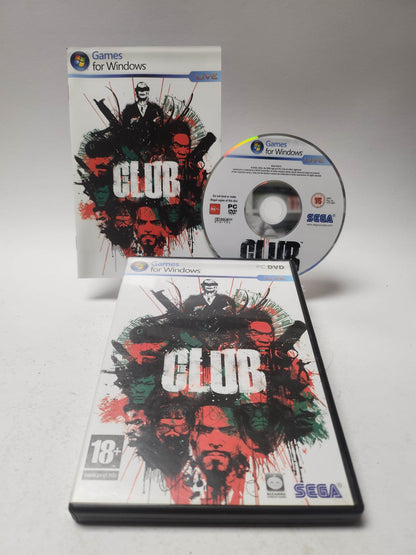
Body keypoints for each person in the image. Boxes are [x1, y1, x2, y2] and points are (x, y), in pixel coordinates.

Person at [121, 82, 163, 152]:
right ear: (136, 92)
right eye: (140, 89)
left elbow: (161, 130)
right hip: (134, 149)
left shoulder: (156, 108)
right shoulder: (128, 109)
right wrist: (130, 123)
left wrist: (157, 123)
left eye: (144, 89)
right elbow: (124, 129)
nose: (142, 92)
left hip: (152, 149)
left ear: (148, 91)